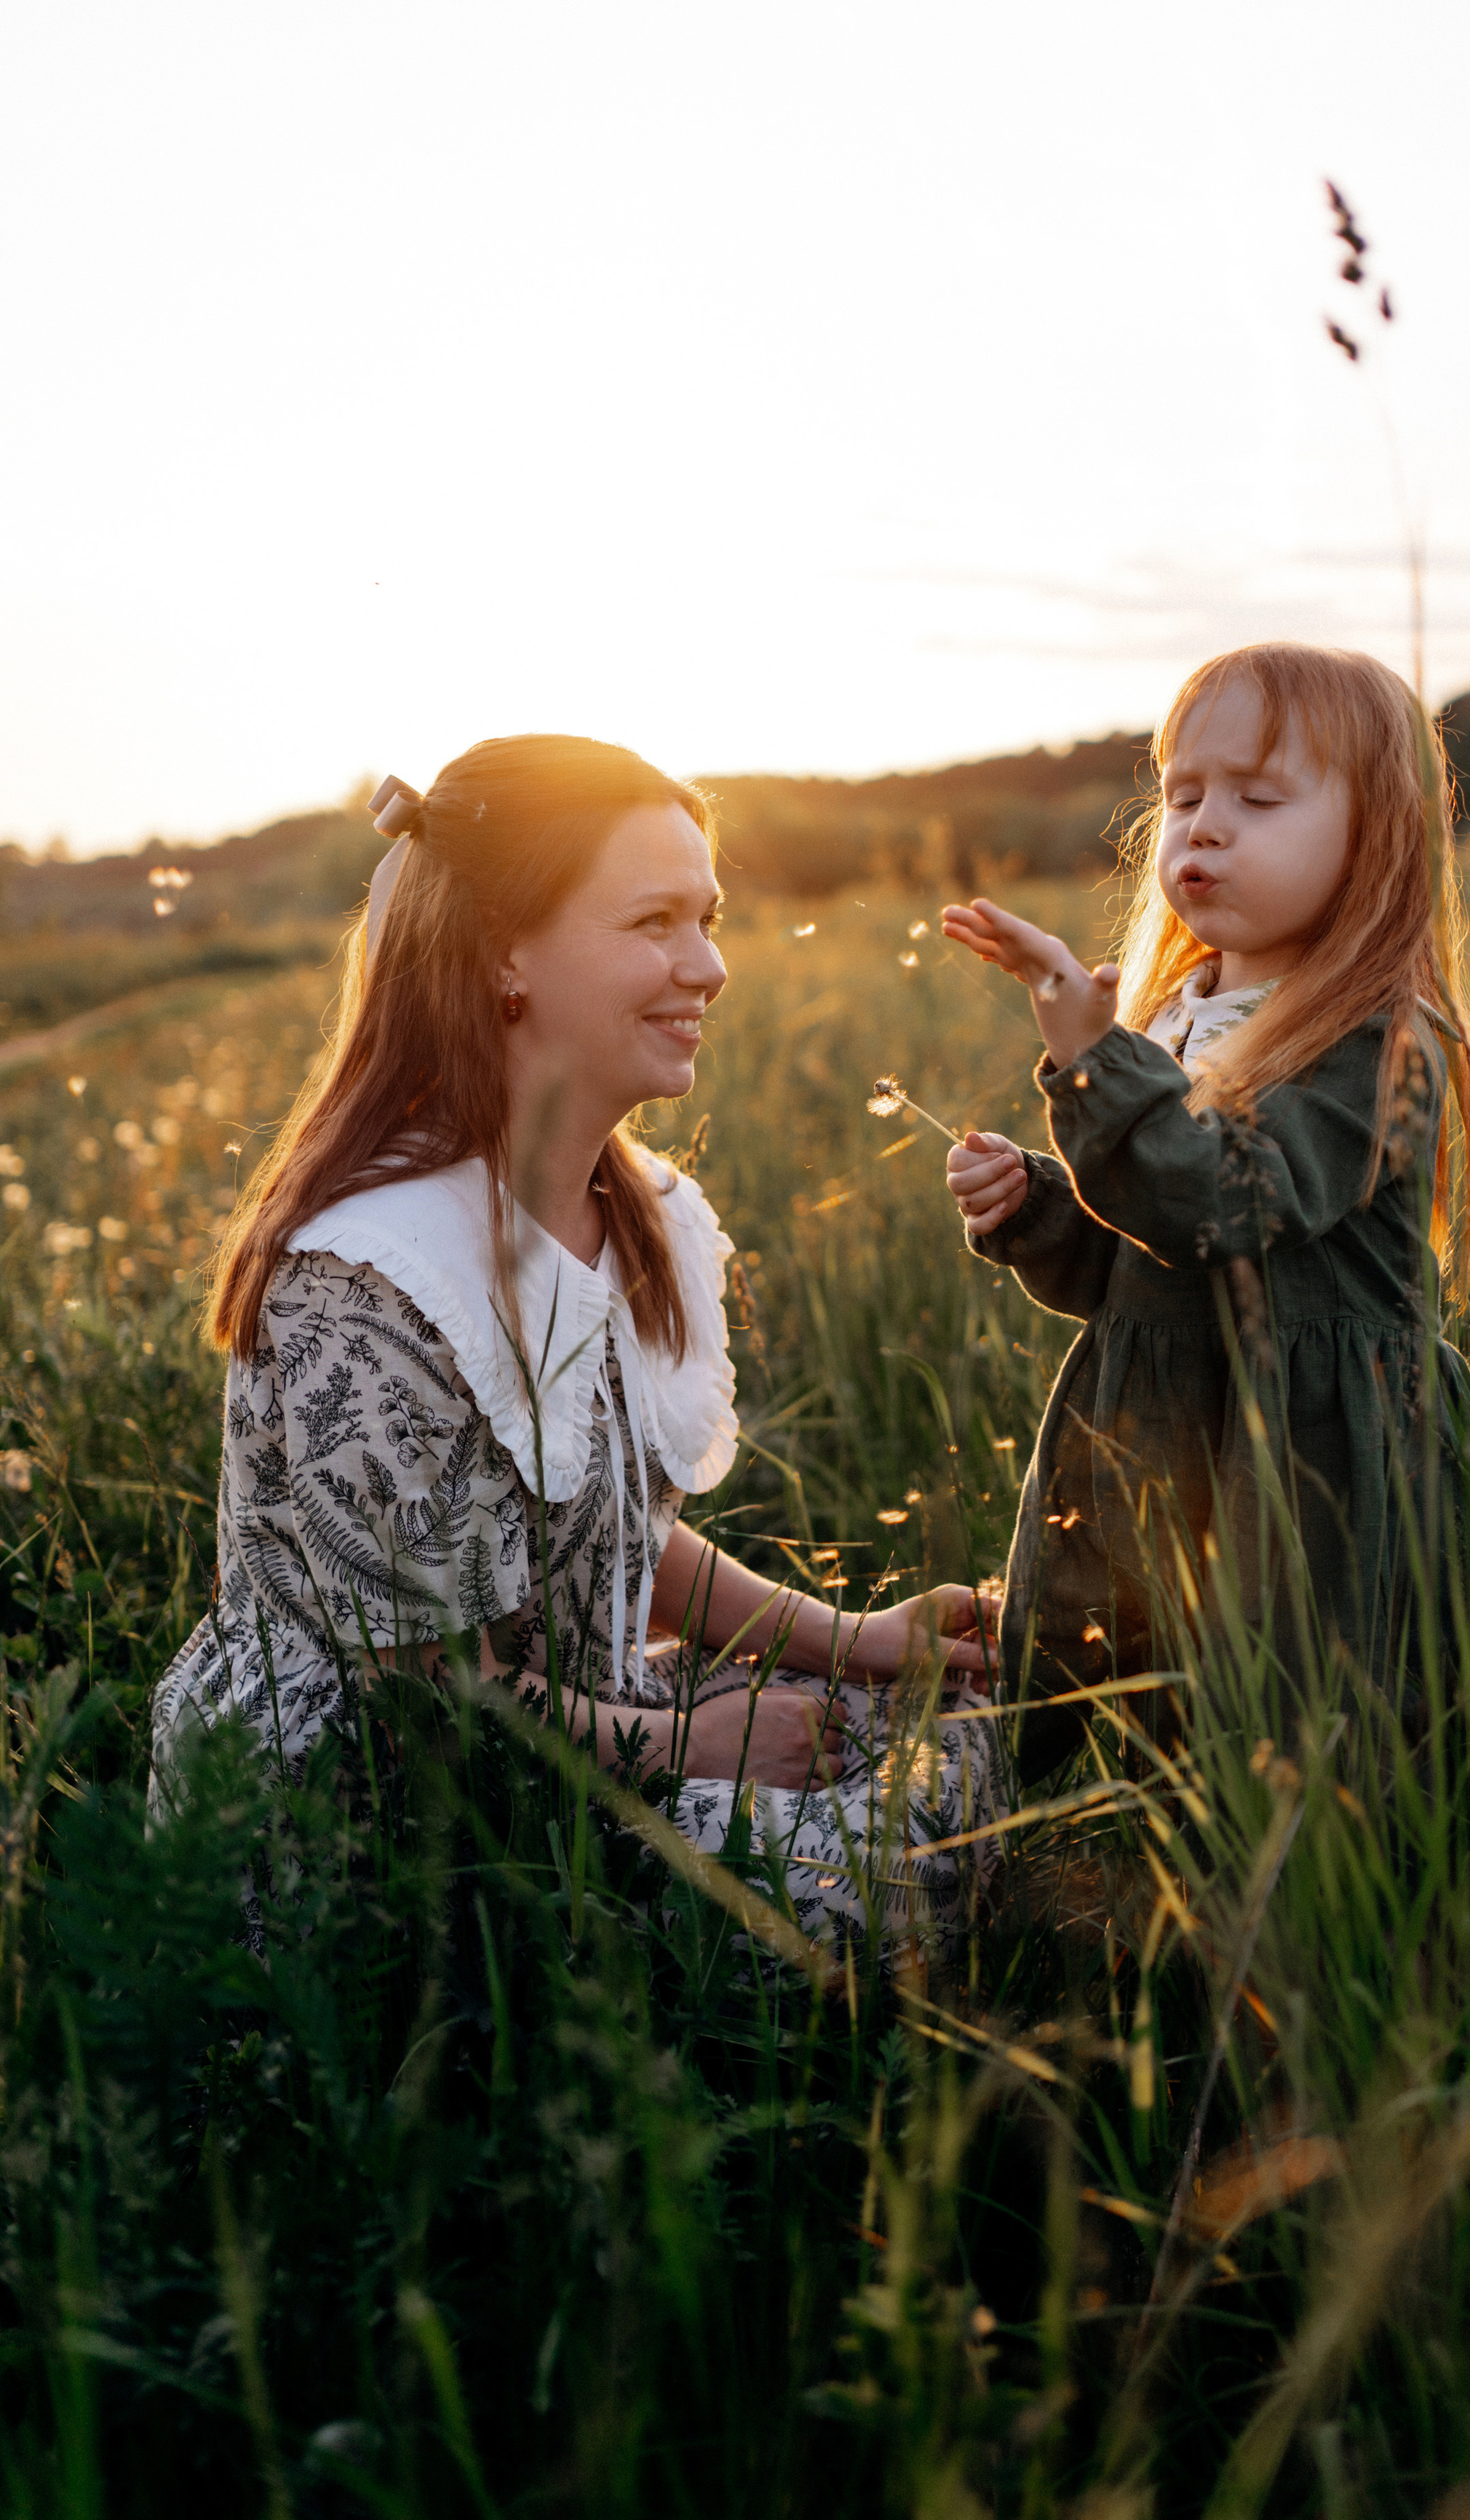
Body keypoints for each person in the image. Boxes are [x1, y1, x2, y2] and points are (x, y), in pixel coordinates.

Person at [149, 733, 1001, 1948]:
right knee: (880, 1889)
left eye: (709, 918)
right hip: (381, 1821)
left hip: (584, 1723)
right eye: (654, 921)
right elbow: (419, 1700)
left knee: (974, 1722)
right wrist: (692, 1745)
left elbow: (616, 1538)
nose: (707, 966)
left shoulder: (631, 1214)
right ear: (504, 953)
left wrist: (859, 1642)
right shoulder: (371, 1270)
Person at [940, 641, 1470, 1777]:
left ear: (1377, 837)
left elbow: (1225, 1201)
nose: (1204, 825)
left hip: (1303, 1467)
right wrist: (1038, 1214)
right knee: (1136, 1714)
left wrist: (1092, 1059)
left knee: (1288, 1726)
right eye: (1183, 793)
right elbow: (1145, 1263)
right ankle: (1092, 1880)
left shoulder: (1382, 1038)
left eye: (1257, 798)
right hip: (1158, 1437)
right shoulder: (1176, 1015)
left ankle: (1295, 1921)